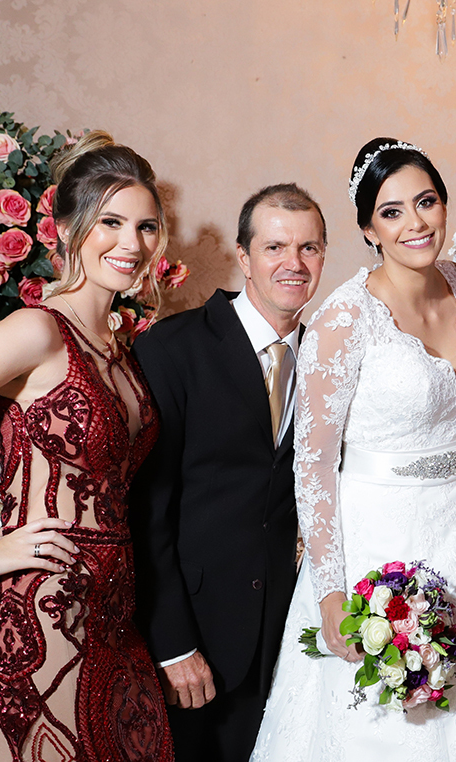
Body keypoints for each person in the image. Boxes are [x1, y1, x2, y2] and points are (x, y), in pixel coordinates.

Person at [250, 138, 456, 761]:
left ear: (444, 205)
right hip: (378, 540)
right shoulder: (343, 320)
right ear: (368, 228)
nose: (415, 223)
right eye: (391, 212)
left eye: (425, 202)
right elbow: (314, 467)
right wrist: (331, 592)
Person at [0, 132, 173, 760]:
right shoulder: (36, 331)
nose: (131, 243)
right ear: (64, 229)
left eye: (145, 226)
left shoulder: (121, 348)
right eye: (111, 222)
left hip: (113, 619)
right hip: (32, 622)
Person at [129, 184, 326, 761]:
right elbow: (146, 512)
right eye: (275, 247)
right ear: (244, 256)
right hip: (196, 638)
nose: (293, 263)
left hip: (286, 635)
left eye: (309, 248)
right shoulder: (173, 348)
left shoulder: (328, 356)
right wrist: (172, 643)